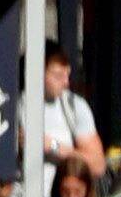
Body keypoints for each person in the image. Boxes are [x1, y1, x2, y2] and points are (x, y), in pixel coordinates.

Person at [27, 47, 107, 181]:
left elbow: (98, 165)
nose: (66, 83)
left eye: (67, 75)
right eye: (58, 76)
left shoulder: (74, 106)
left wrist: (52, 146)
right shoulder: (17, 105)